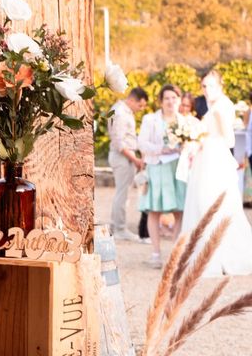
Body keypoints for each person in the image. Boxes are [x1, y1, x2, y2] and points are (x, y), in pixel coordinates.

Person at [181, 70, 252, 276]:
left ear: (220, 85)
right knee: (202, 202)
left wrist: (204, 136)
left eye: (211, 85)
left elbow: (229, 140)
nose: (207, 90)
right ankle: (206, 254)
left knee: (214, 203)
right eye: (204, 86)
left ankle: (219, 256)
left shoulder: (222, 106)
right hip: (206, 157)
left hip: (216, 158)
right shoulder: (212, 104)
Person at [138, 84, 186, 269]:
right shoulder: (150, 119)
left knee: (179, 210)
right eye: (166, 98)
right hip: (157, 167)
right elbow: (142, 143)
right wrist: (161, 149)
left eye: (174, 98)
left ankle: (175, 253)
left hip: (177, 168)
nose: (170, 101)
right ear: (161, 101)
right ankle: (156, 254)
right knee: (154, 210)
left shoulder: (184, 121)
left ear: (179, 100)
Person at [108, 87, 149, 241]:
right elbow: (119, 142)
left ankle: (117, 226)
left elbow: (130, 137)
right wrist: (136, 160)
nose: (141, 109)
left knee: (123, 193)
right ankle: (119, 229)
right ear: (132, 100)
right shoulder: (119, 112)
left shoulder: (126, 112)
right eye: (140, 105)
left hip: (127, 156)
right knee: (122, 194)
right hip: (122, 157)